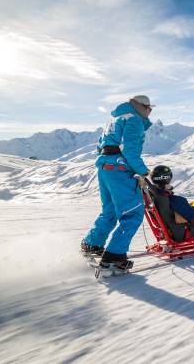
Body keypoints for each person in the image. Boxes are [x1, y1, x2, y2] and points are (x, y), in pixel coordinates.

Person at [81, 95, 154, 271]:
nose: (150, 112)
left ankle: (92, 244)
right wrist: (143, 171)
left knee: (111, 211)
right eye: (149, 108)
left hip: (104, 169)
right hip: (119, 170)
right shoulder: (134, 120)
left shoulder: (114, 120)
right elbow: (130, 150)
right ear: (141, 106)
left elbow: (100, 146)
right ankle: (114, 257)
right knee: (132, 214)